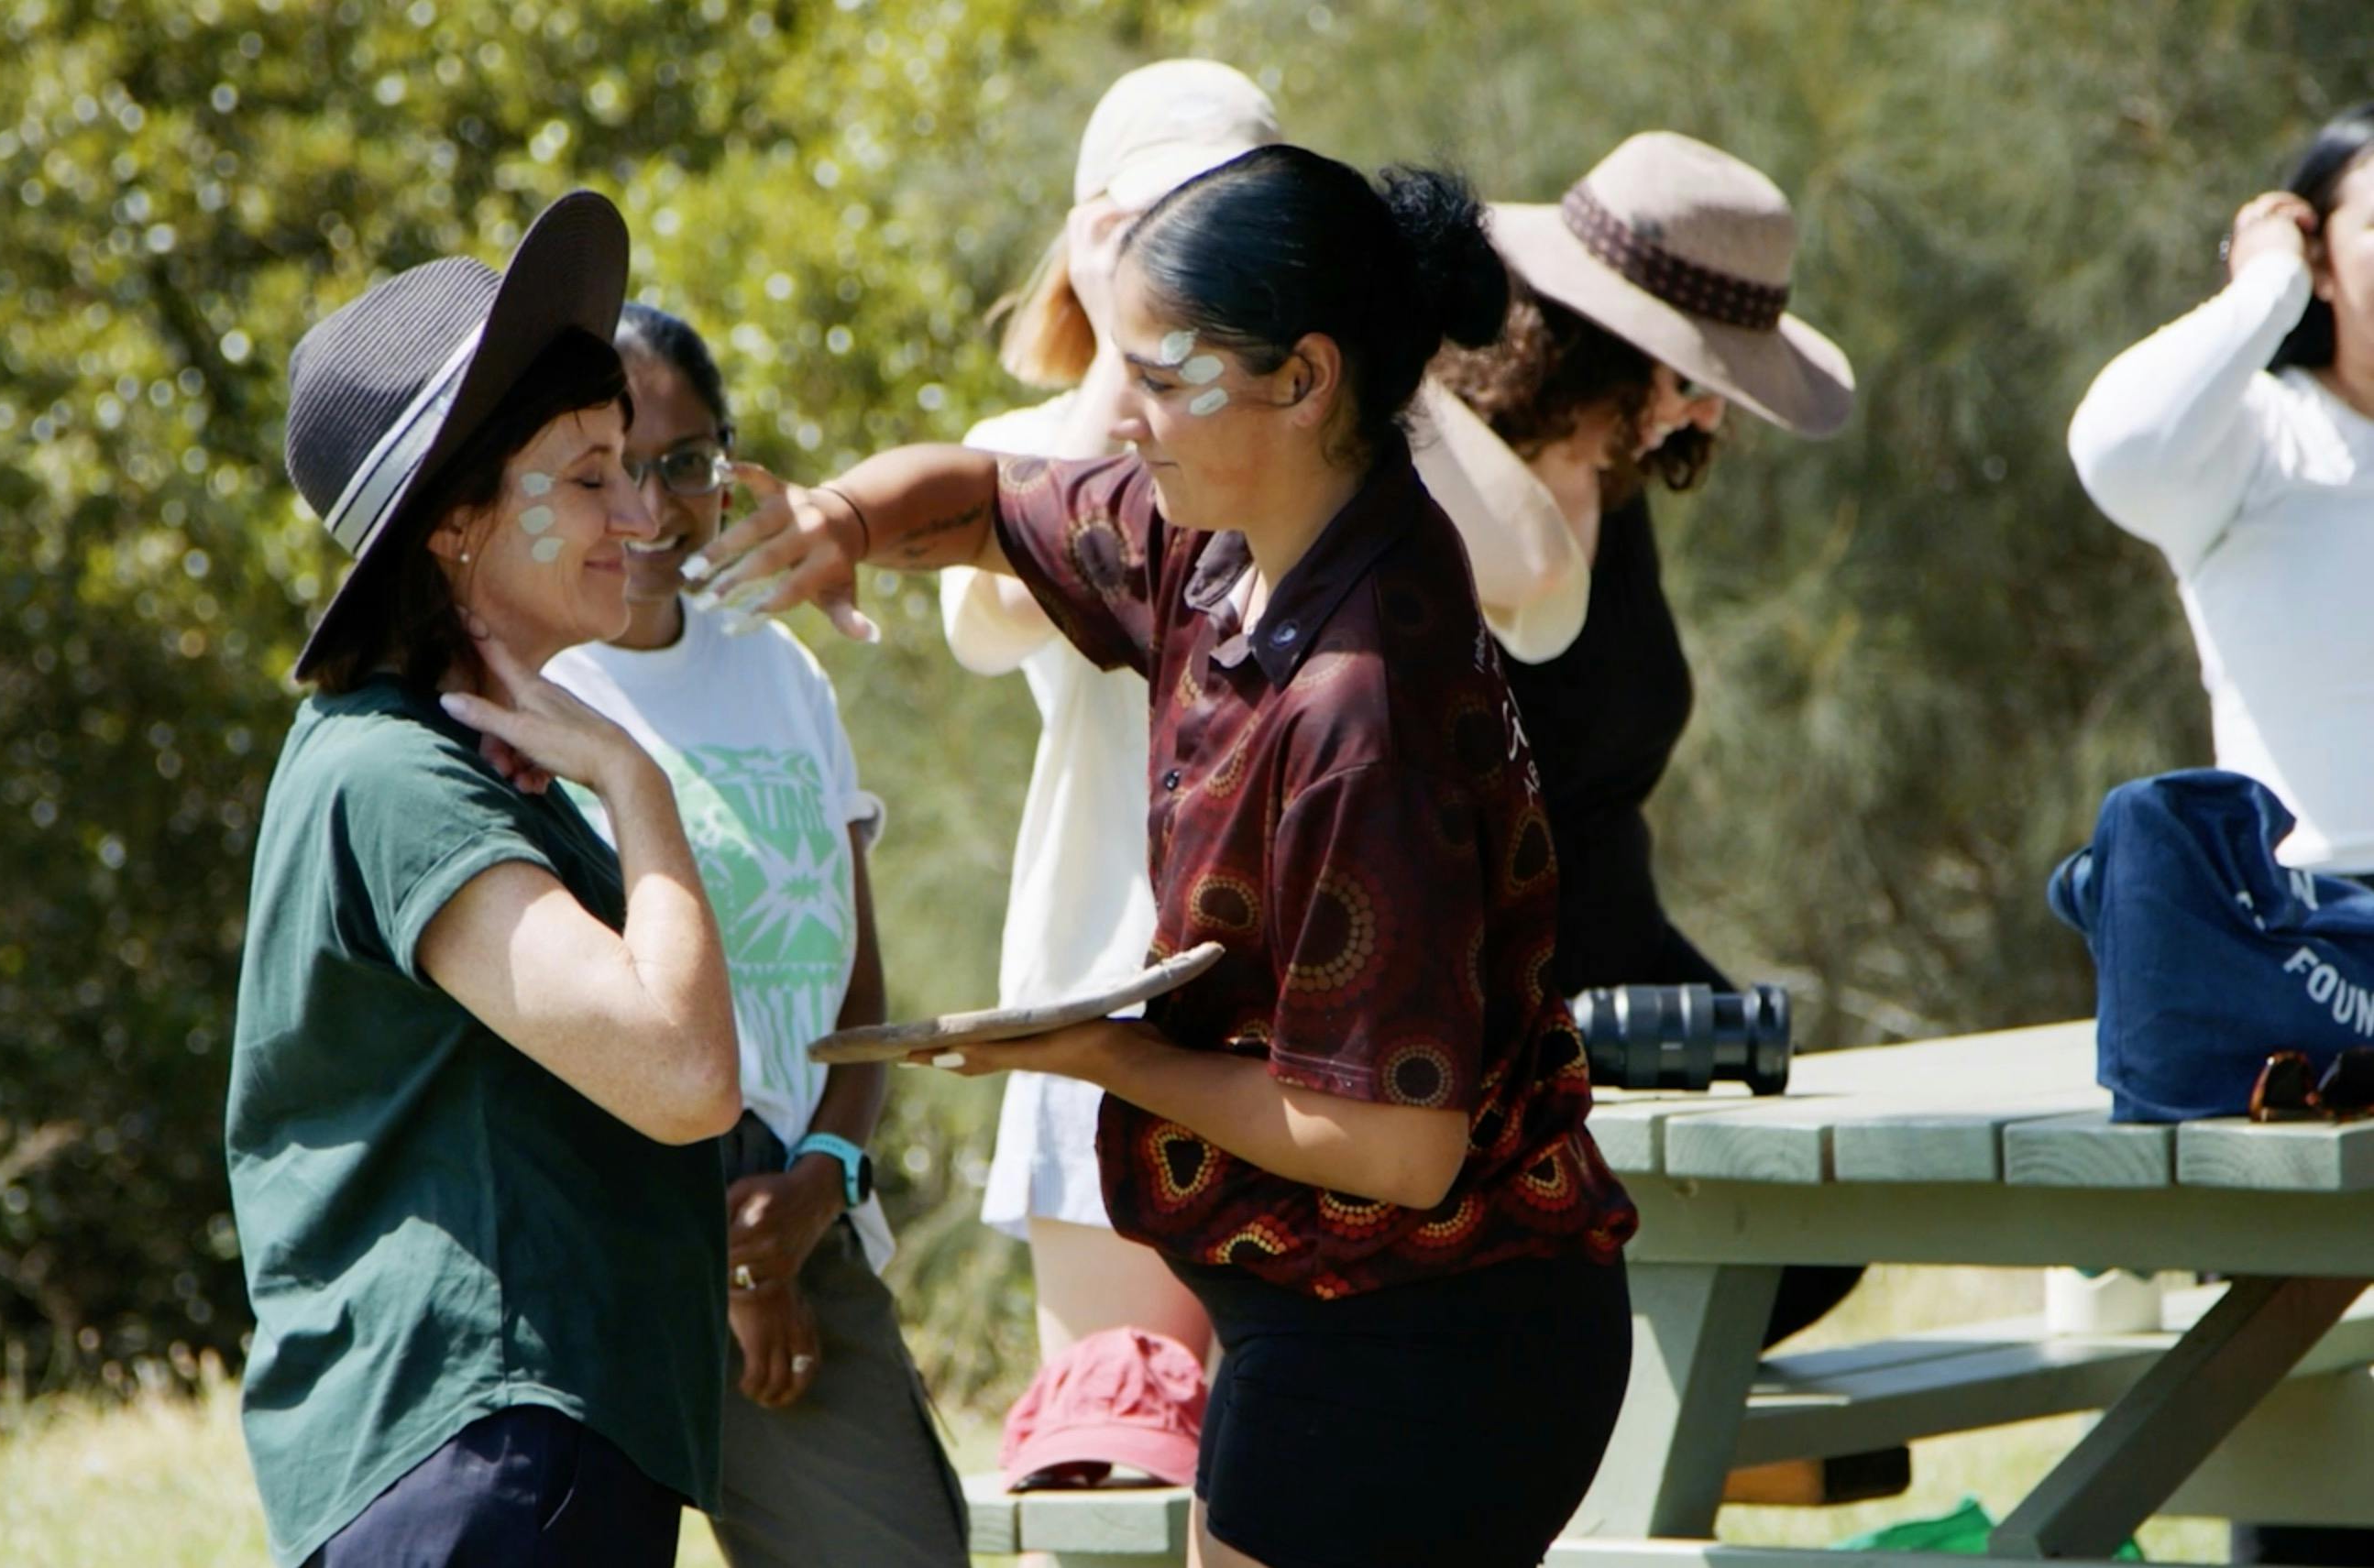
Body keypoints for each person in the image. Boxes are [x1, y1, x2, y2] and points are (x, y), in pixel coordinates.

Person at [703, 145, 1637, 1568]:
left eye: (1158, 373)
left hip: (1426, 1346)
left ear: (1305, 376)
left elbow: (1392, 1142)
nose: (1120, 417)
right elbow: (979, 498)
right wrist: (838, 521)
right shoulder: (1227, 547)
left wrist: (1105, 1053)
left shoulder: (1357, 701)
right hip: (1343, 1323)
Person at [951, 58, 1583, 1368]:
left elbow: (1539, 574)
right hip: (1105, 1017)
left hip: (1324, 1172)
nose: (1141, 414)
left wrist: (1373, 355)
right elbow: (983, 580)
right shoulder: (1176, 479)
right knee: (1112, 1437)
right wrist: (1135, 338)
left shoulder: (1342, 634)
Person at [228, 192, 742, 1566]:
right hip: (490, 1462)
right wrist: (639, 786)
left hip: (523, 1461)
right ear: (455, 522)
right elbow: (682, 1076)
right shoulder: (399, 782)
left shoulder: (449, 761)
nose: (642, 513)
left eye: (632, 463)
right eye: (588, 474)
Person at [542, 302, 967, 1567]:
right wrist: (736, 1263)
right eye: (613, 470)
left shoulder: (780, 671)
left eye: (687, 463)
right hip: (610, 1255)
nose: (657, 511)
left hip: (803, 1220)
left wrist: (821, 1182)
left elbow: (858, 976)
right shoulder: (534, 693)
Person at [1434, 130, 1862, 1346]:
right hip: (1486, 1007)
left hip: (1625, 965)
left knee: (1820, 1221)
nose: (1701, 404)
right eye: (1682, 368)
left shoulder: (1614, 484)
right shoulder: (1436, 488)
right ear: (1588, 339)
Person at [2071, 102, 2374, 1568]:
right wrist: (2260, 286)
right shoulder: (2259, 443)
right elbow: (2114, 441)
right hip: (2310, 960)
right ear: (2324, 249)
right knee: (2298, 1361)